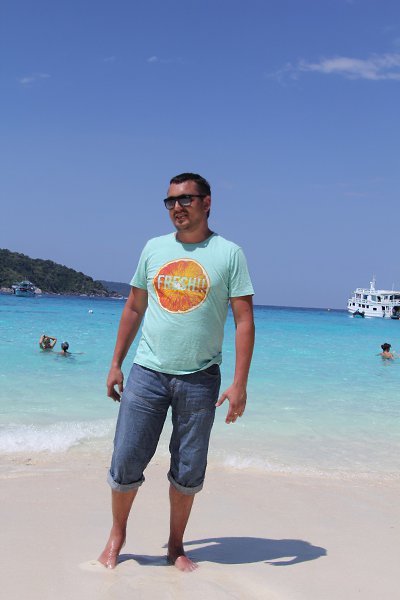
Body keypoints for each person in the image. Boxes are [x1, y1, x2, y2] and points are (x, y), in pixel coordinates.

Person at [98, 172, 255, 572]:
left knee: (188, 467)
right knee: (126, 457)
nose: (177, 207)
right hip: (147, 373)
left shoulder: (229, 253)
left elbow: (244, 321)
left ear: (207, 202)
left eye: (186, 199)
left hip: (201, 378)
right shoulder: (153, 248)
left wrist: (240, 383)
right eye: (170, 201)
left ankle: (176, 544)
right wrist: (115, 363)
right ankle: (117, 535)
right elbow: (134, 307)